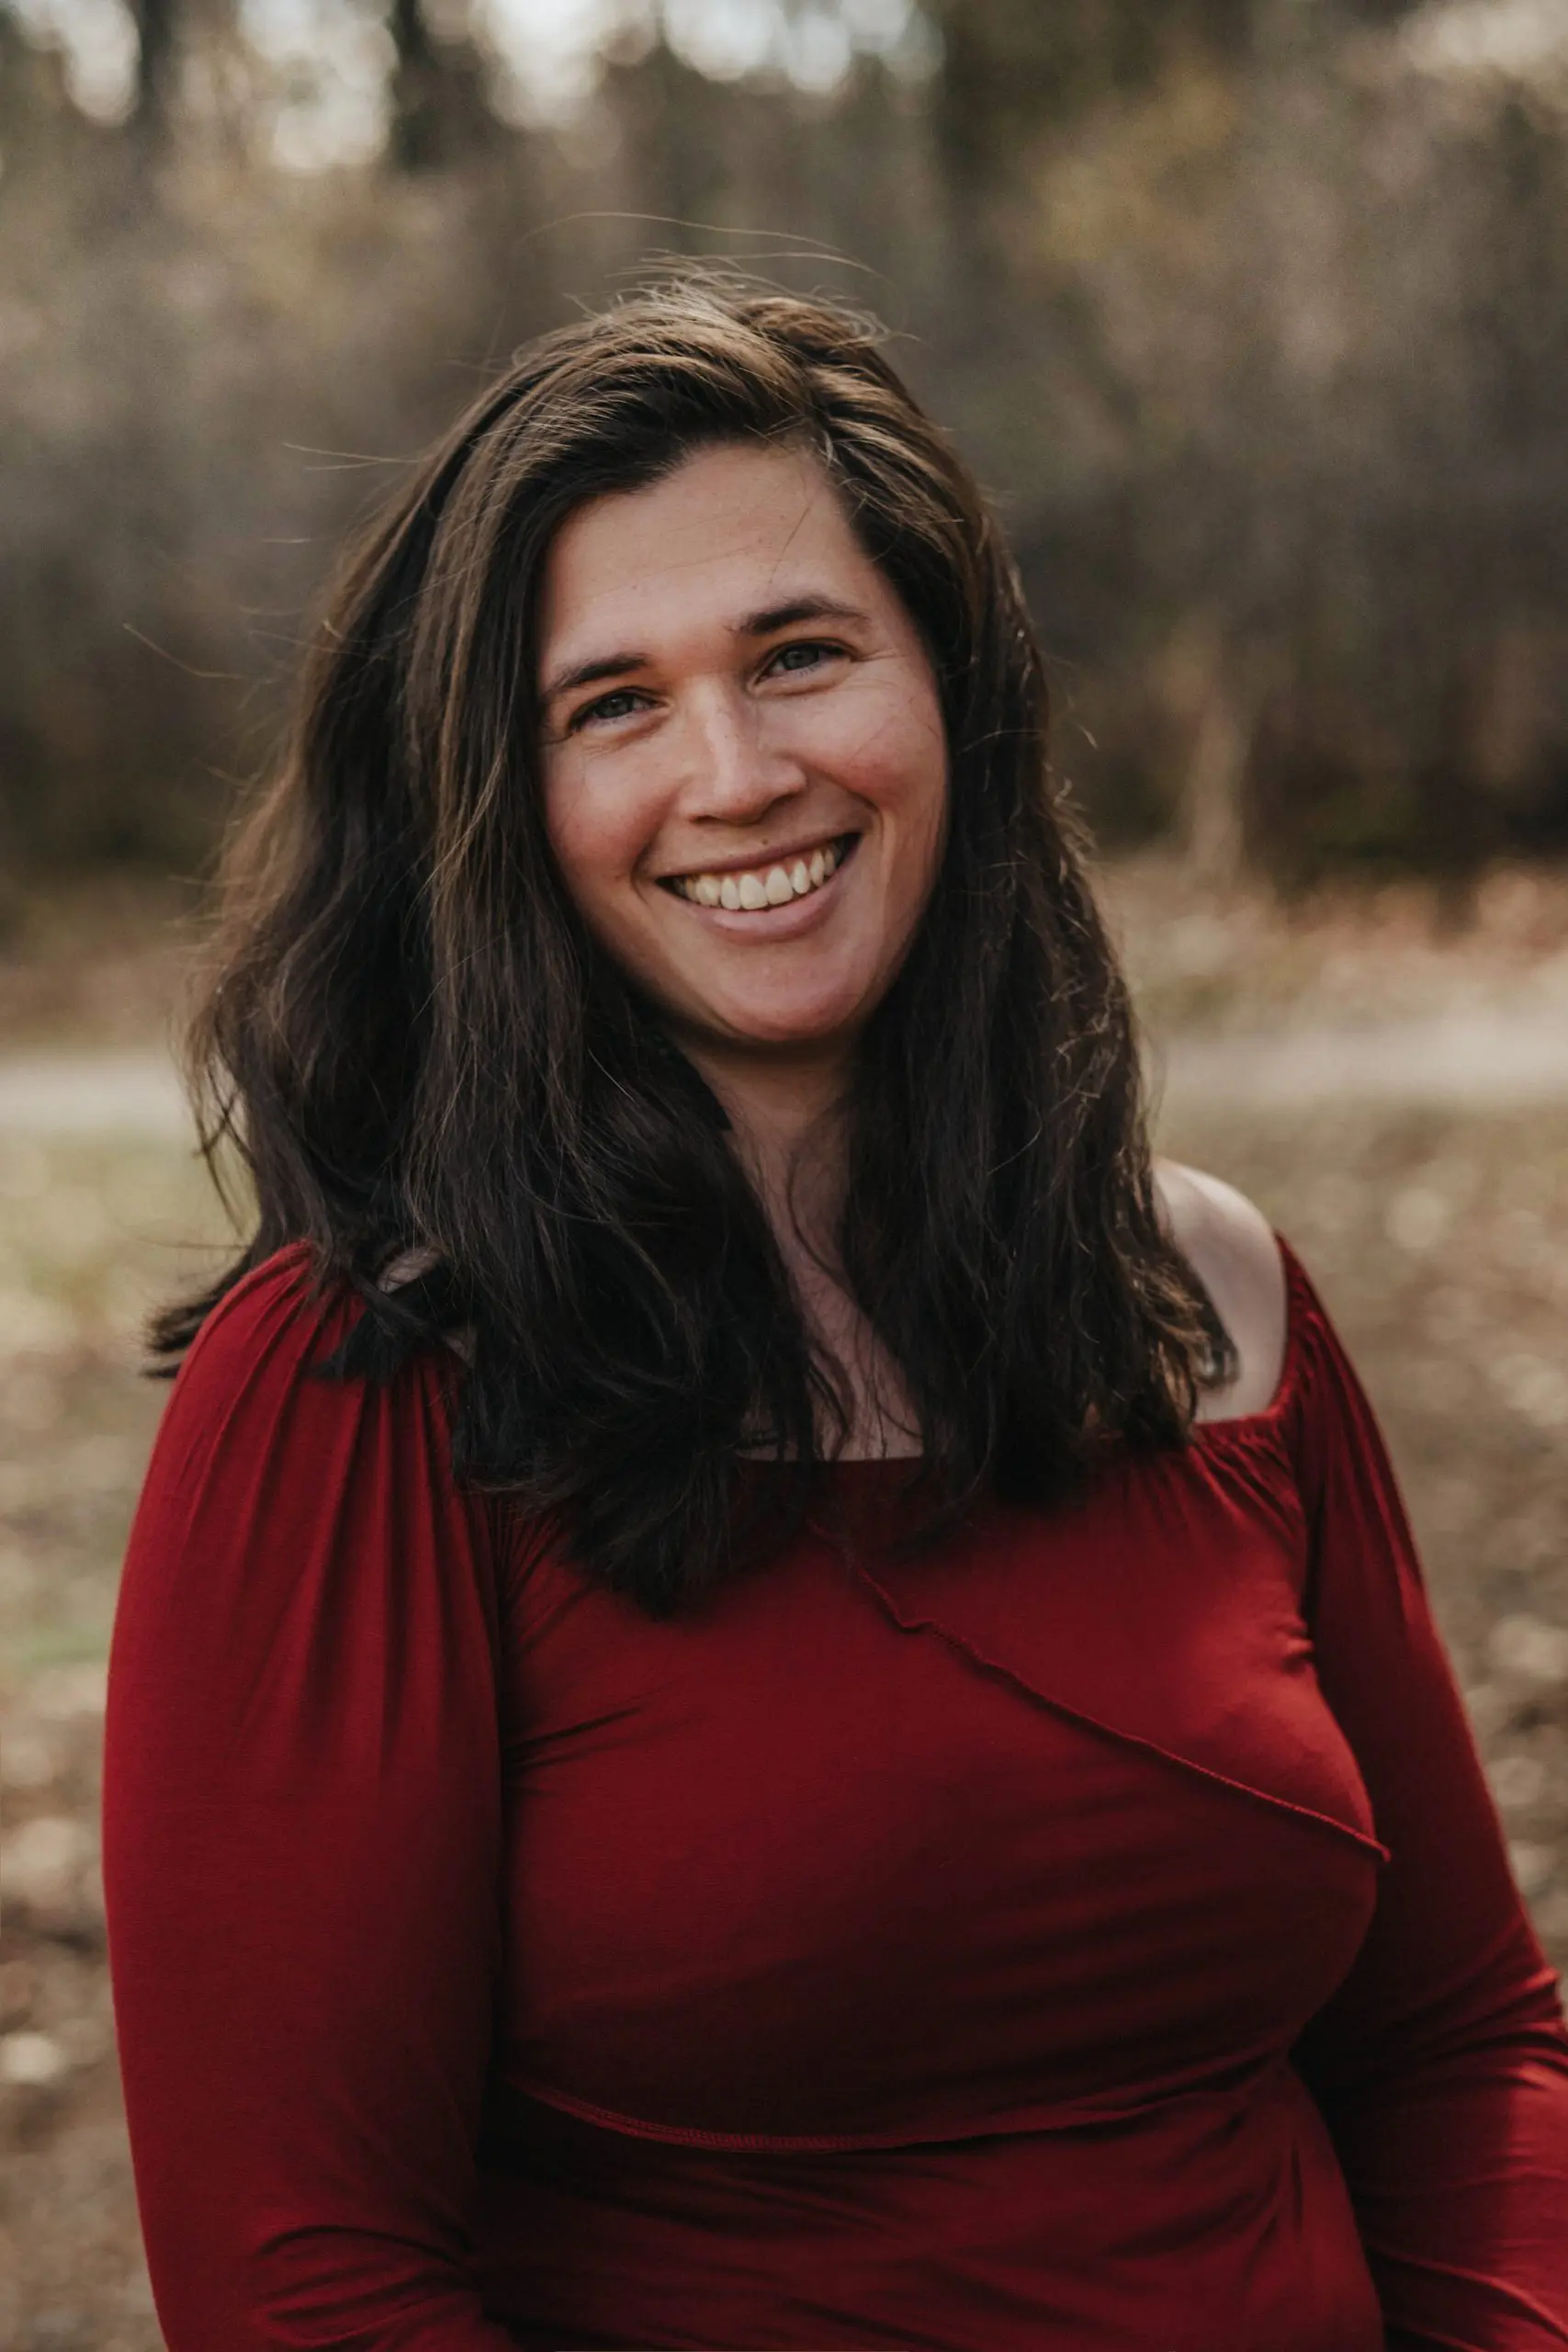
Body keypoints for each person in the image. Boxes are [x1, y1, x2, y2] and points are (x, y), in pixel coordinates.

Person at [103, 277, 1568, 2352]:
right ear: (498, 808)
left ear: (949, 693)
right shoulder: (355, 1394)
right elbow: (302, 2276)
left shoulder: (1209, 1299)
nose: (738, 771)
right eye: (609, 703)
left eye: (799, 654)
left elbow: (1459, 2040)